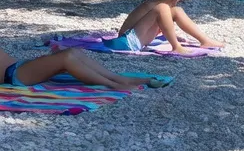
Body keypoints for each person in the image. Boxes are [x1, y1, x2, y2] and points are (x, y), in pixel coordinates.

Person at [105, 0, 223, 55]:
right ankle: (176, 47)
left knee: (178, 11)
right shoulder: (153, 5)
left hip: (135, 39)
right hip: (127, 41)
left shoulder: (158, 6)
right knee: (162, 8)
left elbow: (155, 27)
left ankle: (205, 40)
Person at [2, 45, 169, 90]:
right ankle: (114, 84)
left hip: (20, 66)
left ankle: (120, 78)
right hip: (16, 75)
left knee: (72, 51)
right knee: (66, 58)